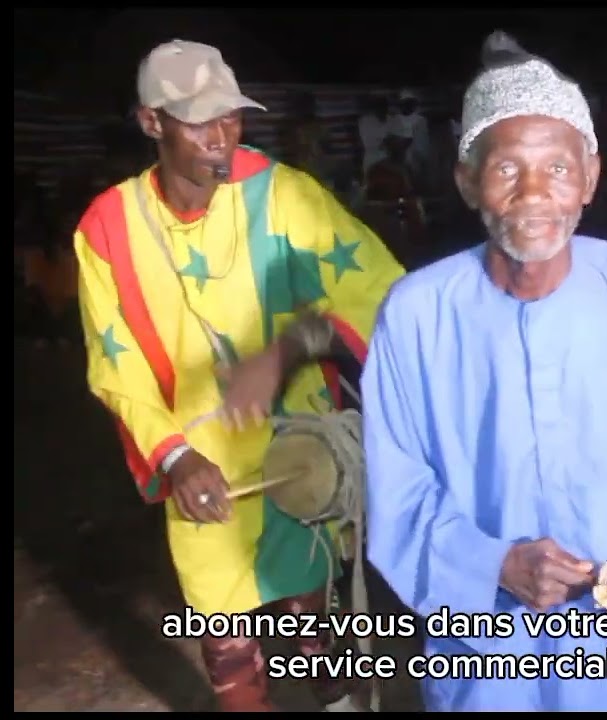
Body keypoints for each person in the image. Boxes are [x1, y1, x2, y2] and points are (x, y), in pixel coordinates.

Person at [360, 32, 607, 712]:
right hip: (496, 662)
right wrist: (495, 566)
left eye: (557, 167)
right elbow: (400, 497)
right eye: (506, 168)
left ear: (590, 177)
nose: (533, 193)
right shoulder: (416, 315)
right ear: (467, 180)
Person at [73, 40, 405, 712]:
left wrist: (287, 351)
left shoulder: (283, 196)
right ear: (152, 123)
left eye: (231, 117)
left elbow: (382, 293)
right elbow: (118, 368)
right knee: (226, 649)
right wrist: (175, 457)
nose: (221, 137)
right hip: (203, 474)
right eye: (200, 121)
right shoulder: (108, 230)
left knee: (319, 622)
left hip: (300, 455)